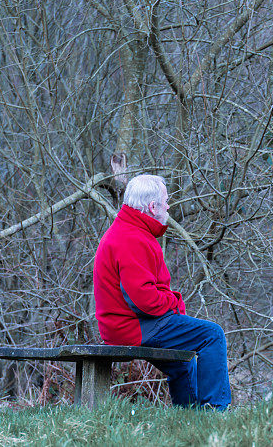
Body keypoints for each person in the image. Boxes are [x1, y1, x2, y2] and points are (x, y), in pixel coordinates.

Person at [93, 174, 231, 409]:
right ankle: (215, 411)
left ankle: (187, 417)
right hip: (132, 326)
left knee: (182, 361)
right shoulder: (131, 238)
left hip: (125, 324)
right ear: (152, 206)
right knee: (212, 335)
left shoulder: (128, 230)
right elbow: (143, 299)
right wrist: (174, 302)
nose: (168, 206)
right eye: (166, 201)